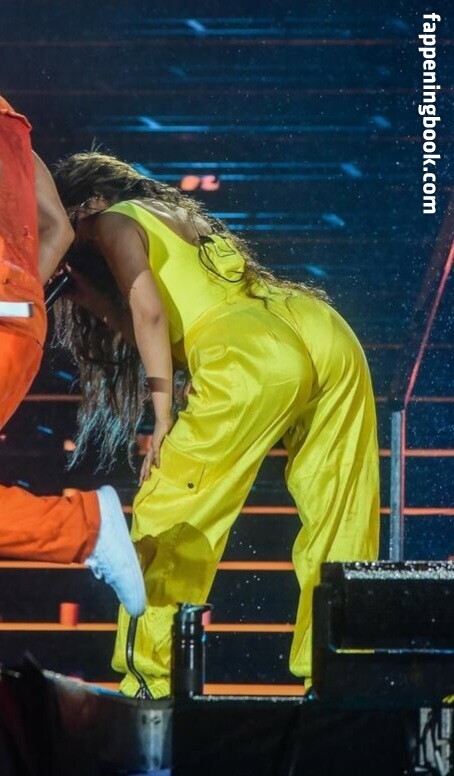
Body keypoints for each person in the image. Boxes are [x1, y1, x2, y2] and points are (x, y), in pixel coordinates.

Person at [53, 151, 380, 698]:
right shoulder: (175, 215)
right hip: (318, 330)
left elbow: (152, 314)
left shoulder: (109, 221)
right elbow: (168, 327)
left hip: (251, 354)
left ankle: (148, 683)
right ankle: (342, 672)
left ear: (85, 203)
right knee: (341, 516)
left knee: (168, 511)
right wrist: (94, 300)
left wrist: (162, 418)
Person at [0, 96, 145, 618]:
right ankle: (86, 527)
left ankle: (87, 527)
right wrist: (20, 300)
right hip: (19, 320)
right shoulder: (11, 128)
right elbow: (58, 228)